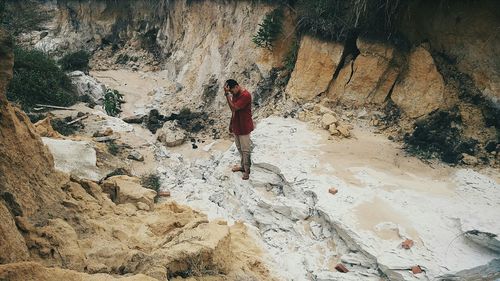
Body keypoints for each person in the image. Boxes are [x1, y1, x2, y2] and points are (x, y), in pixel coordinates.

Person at [223, 79, 254, 180]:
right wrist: (231, 123)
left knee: (246, 150)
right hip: (237, 125)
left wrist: (227, 95)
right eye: (230, 92)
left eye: (232, 91)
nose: (231, 93)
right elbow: (234, 112)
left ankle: (247, 171)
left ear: (236, 87)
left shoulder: (245, 95)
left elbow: (234, 108)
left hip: (244, 126)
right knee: (239, 148)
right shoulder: (235, 95)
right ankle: (243, 166)